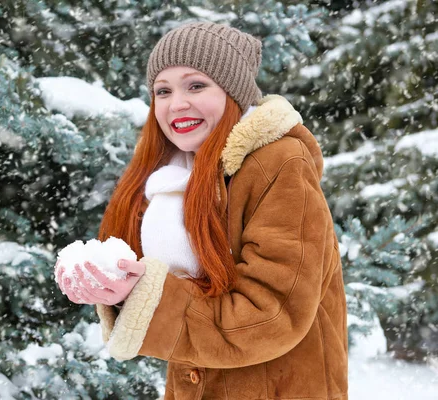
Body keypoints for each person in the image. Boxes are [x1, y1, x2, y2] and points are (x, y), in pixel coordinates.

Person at [56, 21, 348, 400]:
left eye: (196, 85)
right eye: (163, 91)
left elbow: (273, 314)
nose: (177, 103)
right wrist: (113, 283)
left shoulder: (279, 163)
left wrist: (147, 294)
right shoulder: (176, 177)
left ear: (233, 92)